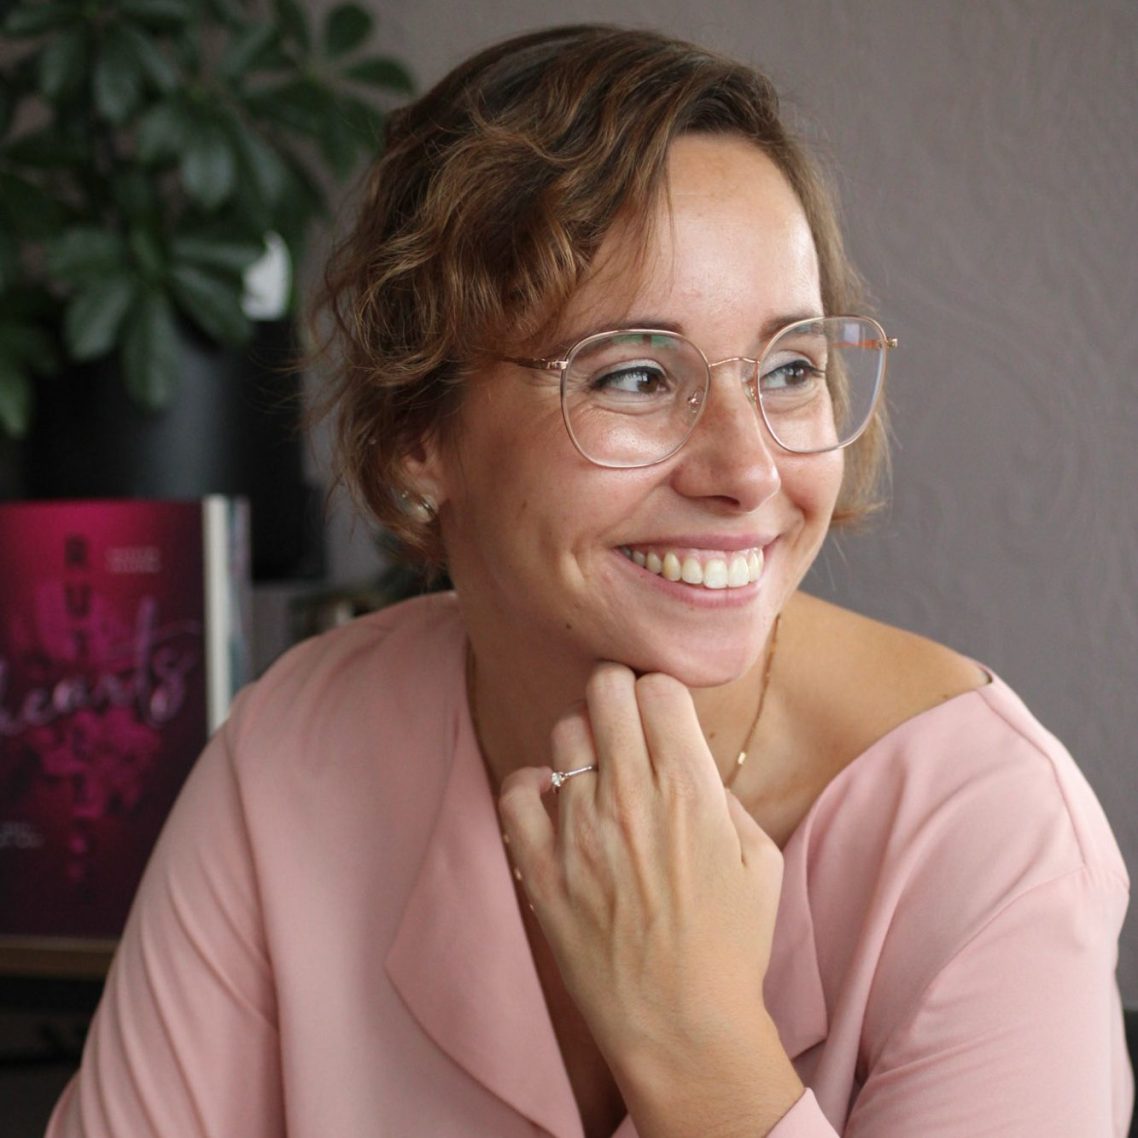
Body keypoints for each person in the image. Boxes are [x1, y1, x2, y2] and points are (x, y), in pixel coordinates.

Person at [47, 24, 1130, 1138]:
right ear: (422, 426)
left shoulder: (989, 836)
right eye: (635, 374)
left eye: (793, 367)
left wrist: (695, 1038)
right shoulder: (296, 748)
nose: (749, 468)